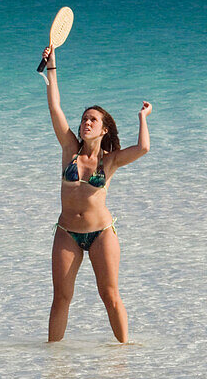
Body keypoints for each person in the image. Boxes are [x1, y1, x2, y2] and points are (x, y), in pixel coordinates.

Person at [42, 44, 152, 343]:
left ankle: (124, 354)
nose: (86, 122)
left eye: (93, 120)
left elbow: (143, 148)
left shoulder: (110, 160)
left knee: (109, 295)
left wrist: (143, 117)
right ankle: (53, 361)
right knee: (61, 297)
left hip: (101, 233)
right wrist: (52, 67)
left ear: (104, 130)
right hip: (67, 232)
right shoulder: (69, 149)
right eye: (84, 119)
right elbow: (55, 107)